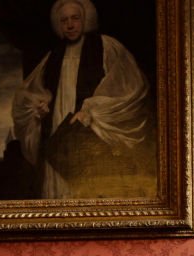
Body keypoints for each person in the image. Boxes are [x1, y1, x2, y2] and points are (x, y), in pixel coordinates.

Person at [11, 0, 154, 199]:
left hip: (91, 127)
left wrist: (91, 110)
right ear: (58, 25)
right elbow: (31, 93)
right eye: (64, 21)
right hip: (58, 127)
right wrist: (41, 107)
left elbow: (130, 87)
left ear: (85, 19)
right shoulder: (53, 56)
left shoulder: (106, 46)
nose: (70, 25)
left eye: (75, 18)